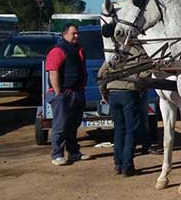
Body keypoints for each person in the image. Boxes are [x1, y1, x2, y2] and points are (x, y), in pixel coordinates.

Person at [98, 45, 148, 176]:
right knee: (131, 131)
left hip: (113, 94)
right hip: (129, 93)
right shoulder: (138, 51)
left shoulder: (115, 51)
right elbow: (146, 71)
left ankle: (118, 164)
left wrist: (105, 92)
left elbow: (101, 73)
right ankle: (127, 166)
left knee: (119, 130)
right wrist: (138, 87)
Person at [45, 24, 91, 166]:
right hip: (63, 94)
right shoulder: (58, 50)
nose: (77, 36)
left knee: (73, 125)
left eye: (77, 33)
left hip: (77, 92)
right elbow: (53, 71)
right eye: (73, 33)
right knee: (60, 125)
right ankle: (57, 154)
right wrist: (58, 93)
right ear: (65, 34)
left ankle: (73, 152)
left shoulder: (78, 49)